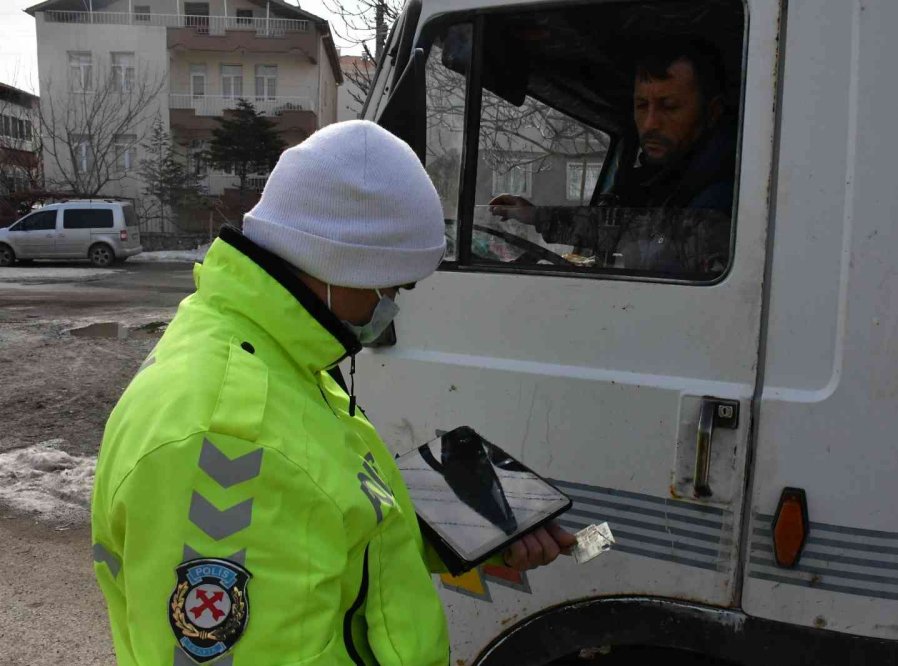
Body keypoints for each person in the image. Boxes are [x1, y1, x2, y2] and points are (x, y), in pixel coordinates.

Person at [91, 121, 576, 666]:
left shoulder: (271, 358)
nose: (391, 306)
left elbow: (325, 531)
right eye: (392, 286)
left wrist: (463, 534)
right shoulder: (230, 443)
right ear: (342, 263)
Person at [489, 38, 736, 275]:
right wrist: (535, 216)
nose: (650, 123)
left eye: (669, 106)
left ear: (712, 112)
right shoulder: (664, 181)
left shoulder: (723, 199)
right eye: (641, 106)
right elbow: (622, 226)